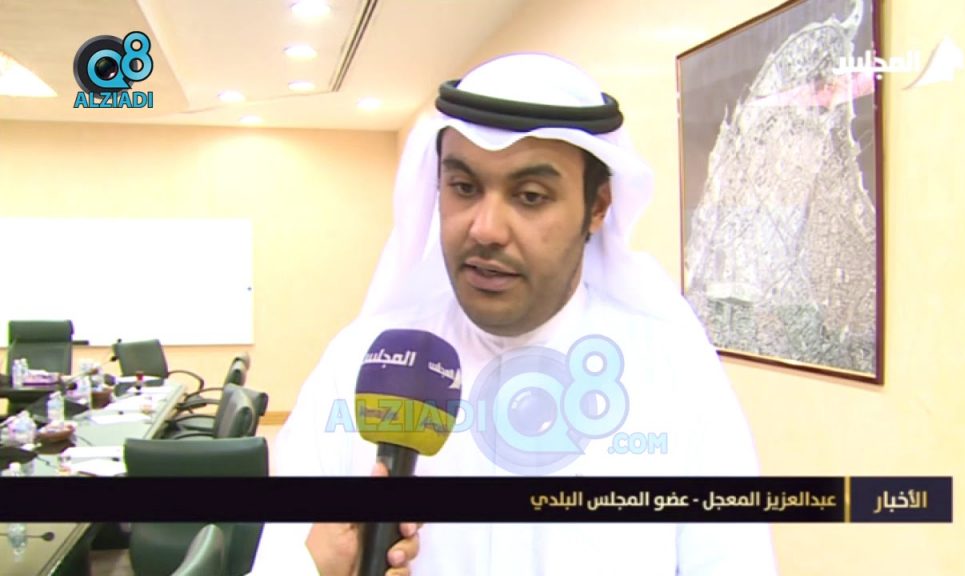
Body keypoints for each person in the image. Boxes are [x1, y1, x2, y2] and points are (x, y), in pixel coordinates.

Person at [250, 53, 777, 575]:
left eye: (529, 196)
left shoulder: (675, 372)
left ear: (597, 207)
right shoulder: (362, 362)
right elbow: (283, 553)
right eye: (464, 188)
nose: (485, 229)